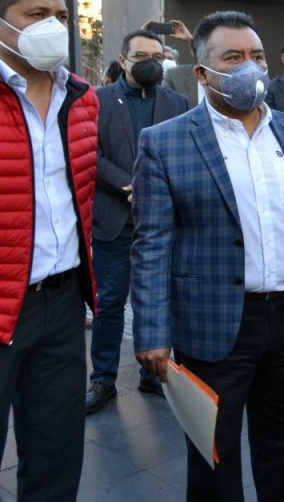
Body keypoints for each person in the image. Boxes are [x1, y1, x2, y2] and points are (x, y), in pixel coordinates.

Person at [130, 10, 284, 501]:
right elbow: (151, 243)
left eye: (257, 56)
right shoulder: (165, 142)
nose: (250, 68)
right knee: (213, 460)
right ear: (203, 72)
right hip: (212, 324)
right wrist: (152, 333)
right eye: (234, 57)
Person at [0, 0, 99, 500]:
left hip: (61, 307)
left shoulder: (81, 99)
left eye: (60, 15)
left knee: (56, 462)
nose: (53, 26)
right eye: (36, 15)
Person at [85, 29, 189, 415]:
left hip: (165, 223)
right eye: (141, 55)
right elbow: (89, 154)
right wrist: (129, 184)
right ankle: (103, 379)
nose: (150, 63)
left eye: (157, 56)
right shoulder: (97, 101)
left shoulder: (177, 102)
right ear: (123, 59)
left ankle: (153, 374)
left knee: (161, 300)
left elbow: (184, 153)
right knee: (109, 304)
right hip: (116, 219)